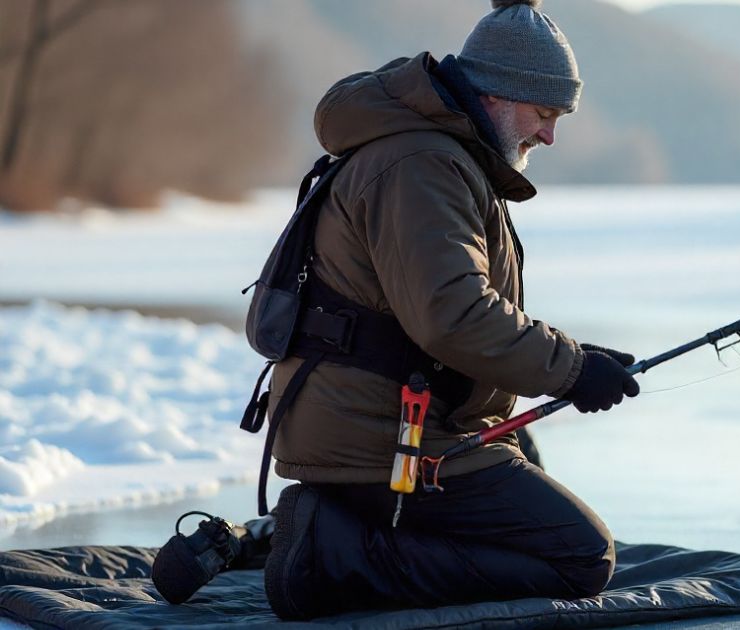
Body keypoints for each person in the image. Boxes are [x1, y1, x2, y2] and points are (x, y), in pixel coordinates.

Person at [151, 0, 641, 620]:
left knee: (527, 472)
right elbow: (453, 314)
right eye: (545, 114)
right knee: (580, 556)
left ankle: (308, 529)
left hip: (387, 422)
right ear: (496, 95)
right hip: (382, 438)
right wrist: (571, 370)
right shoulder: (422, 165)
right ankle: (329, 557)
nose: (549, 135)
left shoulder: (435, 154)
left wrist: (577, 359)